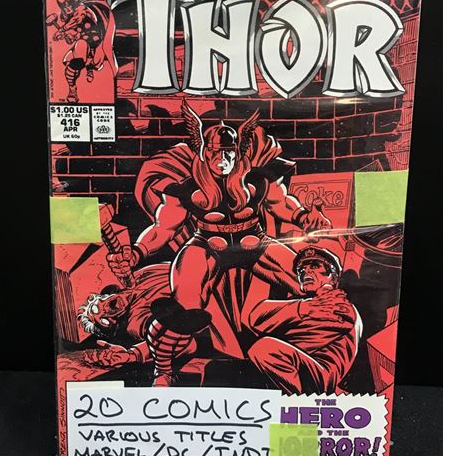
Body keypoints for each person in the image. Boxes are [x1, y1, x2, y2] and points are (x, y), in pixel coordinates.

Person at [106, 100, 332, 386]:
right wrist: (137, 252)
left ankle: (315, 360)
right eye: (216, 152)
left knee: (310, 285)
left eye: (229, 152)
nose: (223, 159)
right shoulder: (188, 187)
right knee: (184, 309)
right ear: (204, 150)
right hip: (207, 246)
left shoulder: (256, 179)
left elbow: (281, 203)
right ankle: (163, 372)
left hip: (255, 242)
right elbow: (164, 227)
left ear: (238, 150)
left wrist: (303, 217)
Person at [246, 246, 362, 394]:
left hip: (316, 379)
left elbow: (297, 341)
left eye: (314, 266)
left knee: (264, 348)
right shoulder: (307, 304)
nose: (306, 272)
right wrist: (304, 308)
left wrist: (282, 322)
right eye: (301, 270)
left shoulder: (339, 306)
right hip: (298, 370)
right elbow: (256, 317)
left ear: (333, 276)